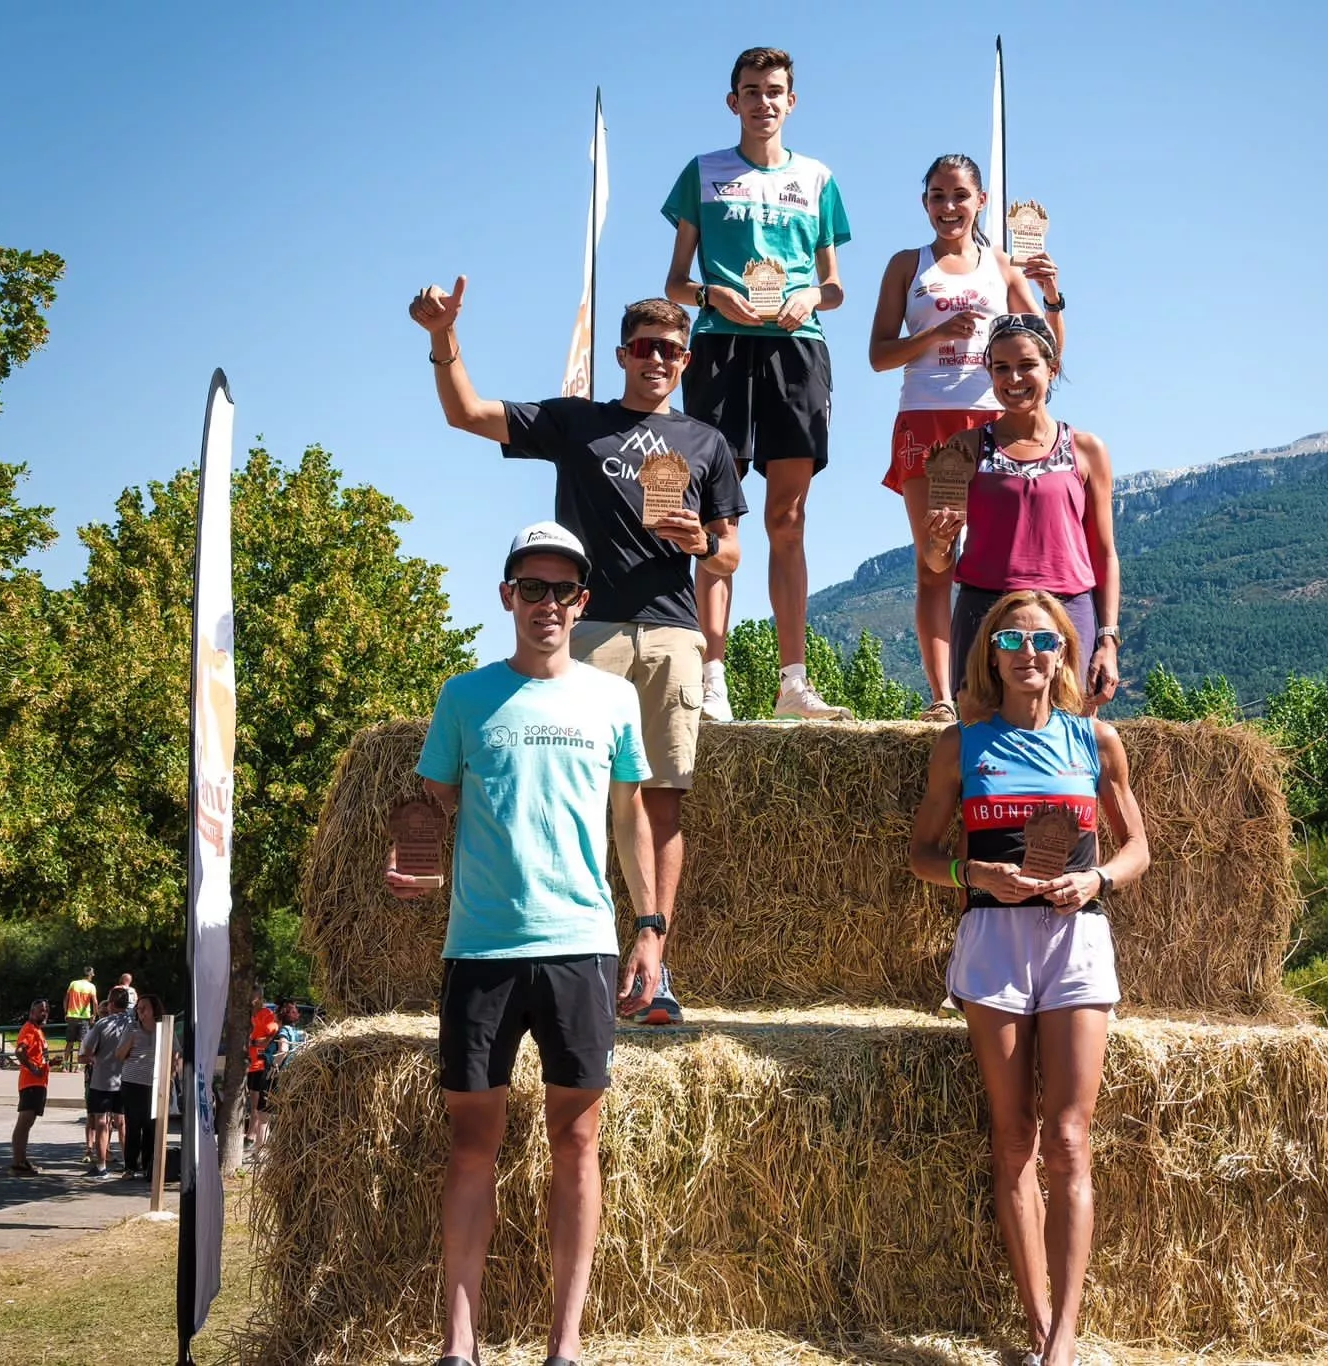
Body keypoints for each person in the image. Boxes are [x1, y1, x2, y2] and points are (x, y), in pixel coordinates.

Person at [410, 288, 751, 1024]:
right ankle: (577, 960)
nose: (657, 359)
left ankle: (654, 965)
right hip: (581, 632)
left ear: (686, 360)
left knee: (660, 802)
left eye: (671, 350)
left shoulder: (706, 442)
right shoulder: (576, 422)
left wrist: (703, 546)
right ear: (623, 354)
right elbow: (465, 413)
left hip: (669, 634)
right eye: (644, 347)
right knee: (578, 799)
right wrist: (445, 339)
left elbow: (731, 553)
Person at [385, 521, 663, 1366]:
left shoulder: (613, 698)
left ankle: (564, 1346)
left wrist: (649, 928)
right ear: (507, 596)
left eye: (563, 590)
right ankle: (458, 1346)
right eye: (531, 588)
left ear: (582, 602)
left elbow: (630, 819)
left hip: (583, 942)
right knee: (473, 1147)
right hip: (481, 948)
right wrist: (412, 861)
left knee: (578, 1143)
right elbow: (430, 804)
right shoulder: (463, 696)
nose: (548, 603)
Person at [908, 591, 1152, 1366]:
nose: (1027, 652)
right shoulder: (961, 745)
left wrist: (1100, 882)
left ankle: (1065, 1341)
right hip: (993, 941)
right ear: (990, 654)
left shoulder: (1098, 742)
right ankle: (1040, 1321)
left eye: (1043, 640)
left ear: (1063, 654)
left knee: (1070, 1140)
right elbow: (920, 853)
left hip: (1077, 941)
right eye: (1010, 638)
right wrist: (969, 870)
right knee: (1014, 1136)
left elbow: (1138, 847)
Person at [663, 45, 854, 722]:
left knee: (787, 519)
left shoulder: (818, 177)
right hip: (720, 347)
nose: (763, 102)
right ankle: (711, 677)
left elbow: (833, 286)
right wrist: (712, 292)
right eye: (751, 90)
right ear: (733, 101)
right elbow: (674, 282)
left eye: (775, 91)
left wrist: (811, 299)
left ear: (791, 101)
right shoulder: (704, 172)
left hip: (798, 350)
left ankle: (792, 682)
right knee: (717, 518)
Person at [869, 154, 1065, 718]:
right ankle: (941, 698)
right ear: (924, 203)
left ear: (981, 202)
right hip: (927, 417)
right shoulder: (908, 265)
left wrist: (1051, 294)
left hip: (989, 420)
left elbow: (1050, 350)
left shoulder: (1002, 266)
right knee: (935, 560)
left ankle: (1008, 690)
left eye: (959, 196)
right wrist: (931, 335)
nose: (948, 207)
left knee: (1001, 557)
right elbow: (879, 355)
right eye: (937, 196)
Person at [921, 315, 1121, 711]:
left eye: (1026, 365)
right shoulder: (965, 448)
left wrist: (1108, 640)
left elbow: (1104, 552)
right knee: (979, 750)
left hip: (1068, 614)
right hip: (984, 615)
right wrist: (940, 541)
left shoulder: (1086, 449)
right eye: (1001, 368)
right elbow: (936, 560)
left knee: (1069, 747)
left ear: (1053, 368)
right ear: (989, 372)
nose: (1013, 379)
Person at [114, 993, 168, 1181]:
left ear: (155, 1010)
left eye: (144, 1008)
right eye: (138, 1008)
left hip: (154, 1085)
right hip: (132, 1084)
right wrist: (131, 1038)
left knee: (151, 1126)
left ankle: (148, 1167)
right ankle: (130, 1167)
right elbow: (119, 1055)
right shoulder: (132, 1029)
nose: (140, 1011)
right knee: (133, 1126)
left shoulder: (164, 1031)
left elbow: (175, 1053)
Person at [80, 987, 132, 1177]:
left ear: (110, 1003)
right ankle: (129, 1164)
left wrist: (93, 1057)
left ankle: (101, 1165)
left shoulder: (103, 1025)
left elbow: (86, 1051)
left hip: (103, 1080)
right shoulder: (134, 1024)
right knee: (123, 1122)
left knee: (102, 1122)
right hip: (126, 1079)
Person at [11, 1000, 52, 1174]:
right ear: (32, 1012)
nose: (44, 1013)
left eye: (46, 1011)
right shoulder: (29, 1029)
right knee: (24, 1122)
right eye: (40, 1010)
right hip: (31, 1083)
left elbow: (38, 1055)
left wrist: (47, 1064)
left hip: (39, 1083)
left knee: (28, 1122)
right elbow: (20, 1051)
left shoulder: (38, 1031)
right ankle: (18, 1162)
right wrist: (32, 1068)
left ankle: (22, 1160)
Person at [244, 987, 278, 1161]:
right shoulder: (247, 1014)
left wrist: (257, 1042)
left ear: (259, 997)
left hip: (260, 1065)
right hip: (250, 1065)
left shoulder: (266, 1014)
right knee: (253, 1103)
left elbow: (273, 1035)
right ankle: (253, 1139)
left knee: (258, 1105)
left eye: (254, 996)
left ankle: (253, 1140)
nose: (252, 1000)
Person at [61, 967, 97, 1070]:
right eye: (92, 974)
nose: (93, 975)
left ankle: (65, 1066)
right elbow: (94, 1002)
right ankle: (78, 1066)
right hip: (84, 1017)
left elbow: (65, 999)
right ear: (89, 974)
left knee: (69, 1042)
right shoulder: (91, 987)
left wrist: (66, 1012)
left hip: (72, 1016)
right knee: (81, 1043)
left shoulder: (73, 983)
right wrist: (94, 1015)